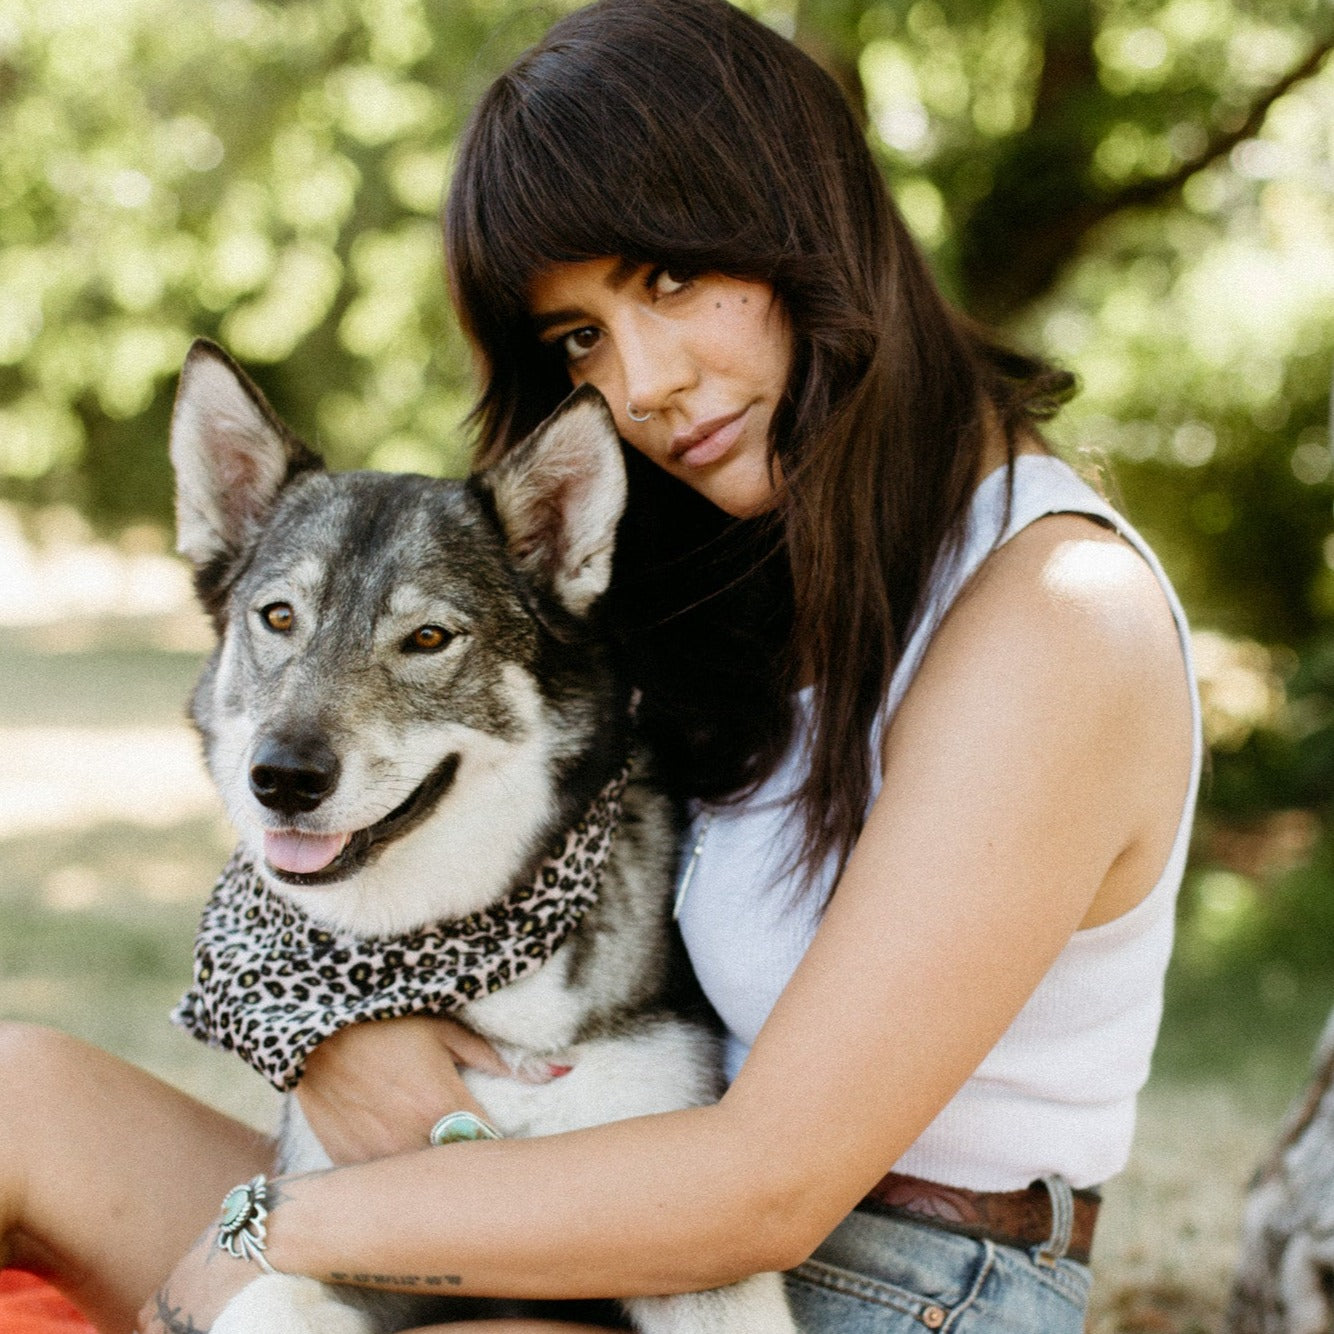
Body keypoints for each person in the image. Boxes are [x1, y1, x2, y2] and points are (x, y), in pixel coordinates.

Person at [0, 1, 1200, 1330]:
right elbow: (347, 810)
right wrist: (321, 1025)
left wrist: (268, 1229)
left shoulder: (1053, 615)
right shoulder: (721, 558)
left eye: (670, 279)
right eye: (579, 336)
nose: (642, 384)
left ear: (807, 221)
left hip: (880, 1278)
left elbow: (763, 1190)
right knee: (15, 1096)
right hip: (553, 1200)